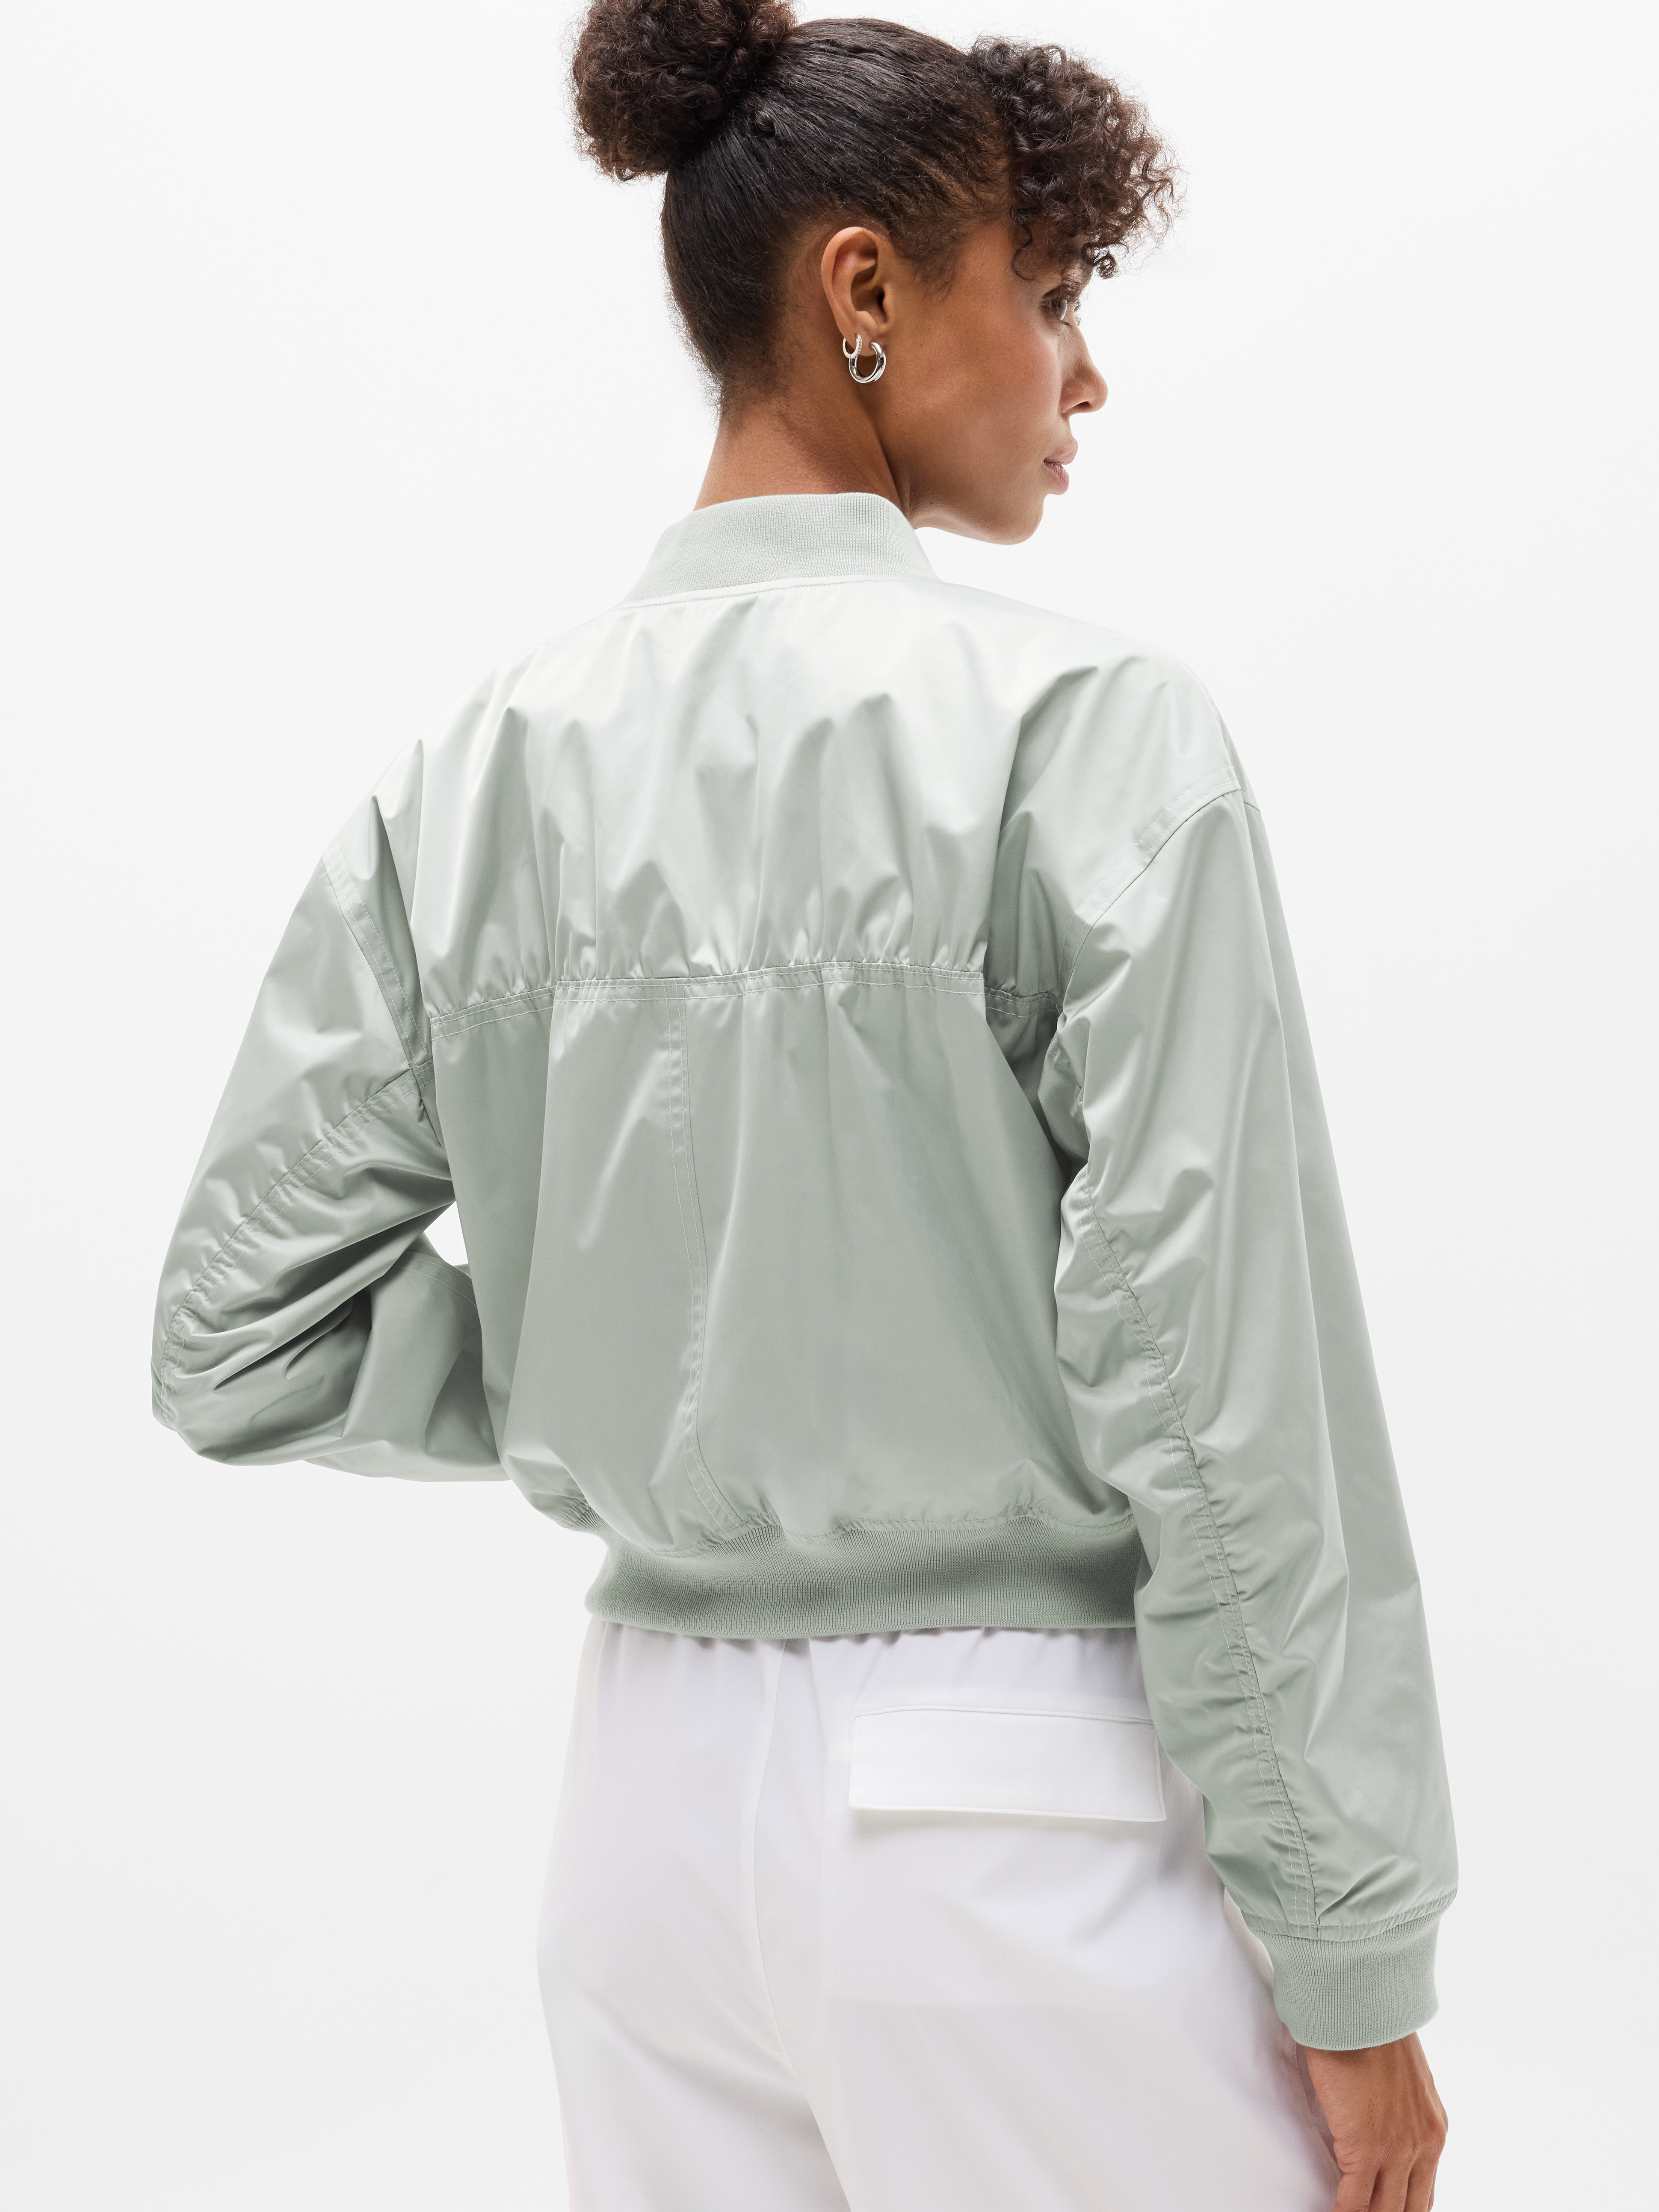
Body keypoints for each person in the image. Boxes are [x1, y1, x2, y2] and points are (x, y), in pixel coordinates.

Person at [151, 3, 1456, 2206]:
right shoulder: (1086, 737)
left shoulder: (472, 772)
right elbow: (1227, 1407)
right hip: (1021, 1825)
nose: (1084, 373)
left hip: (643, 1833)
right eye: (1051, 292)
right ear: (866, 290)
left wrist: (638, 1358)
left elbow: (233, 1334)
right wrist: (1351, 1949)